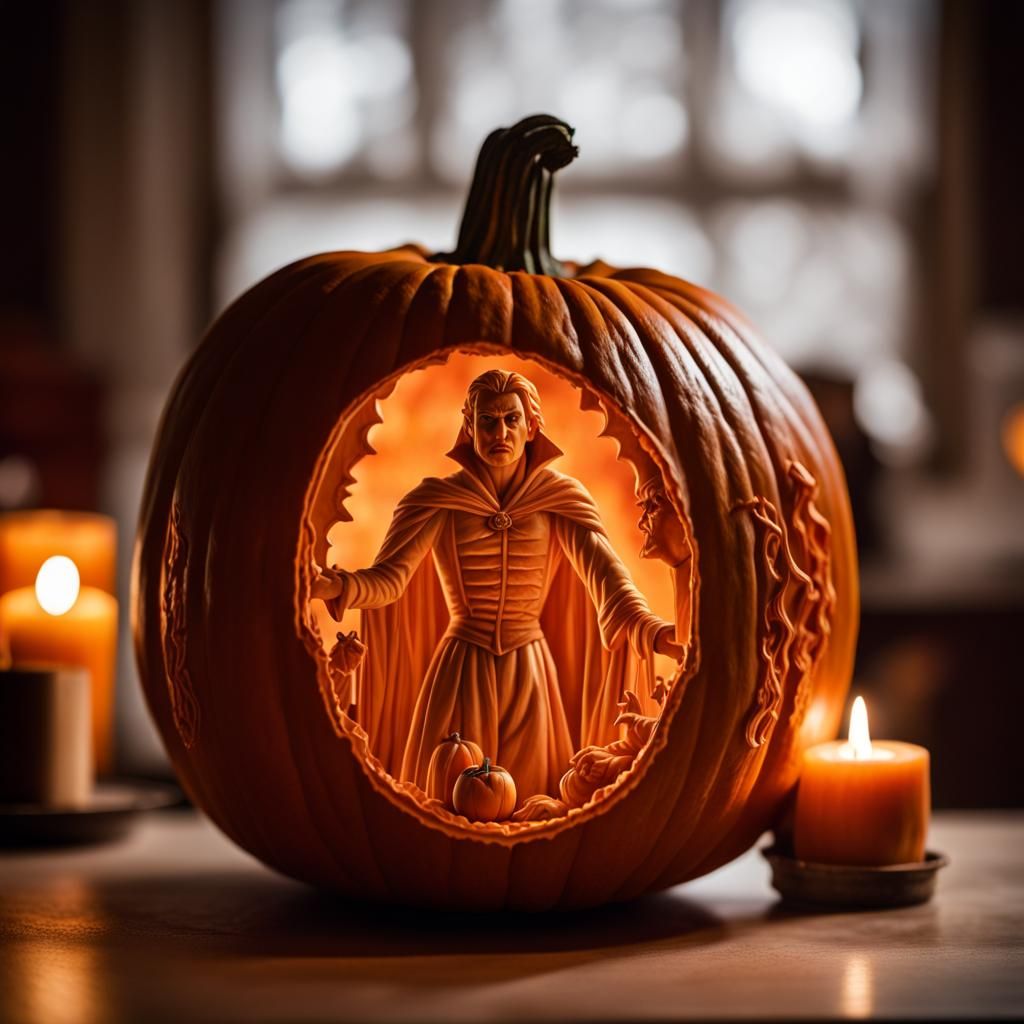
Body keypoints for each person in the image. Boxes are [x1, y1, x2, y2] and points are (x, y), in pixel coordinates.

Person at [314, 369, 681, 801]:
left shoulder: (558, 500)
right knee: (450, 787)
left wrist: (656, 634)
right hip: (460, 667)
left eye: (511, 419)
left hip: (530, 668)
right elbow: (390, 580)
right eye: (487, 420)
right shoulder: (437, 501)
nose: (499, 432)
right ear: (469, 427)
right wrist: (334, 586)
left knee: (532, 797)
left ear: (532, 427)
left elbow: (608, 580)